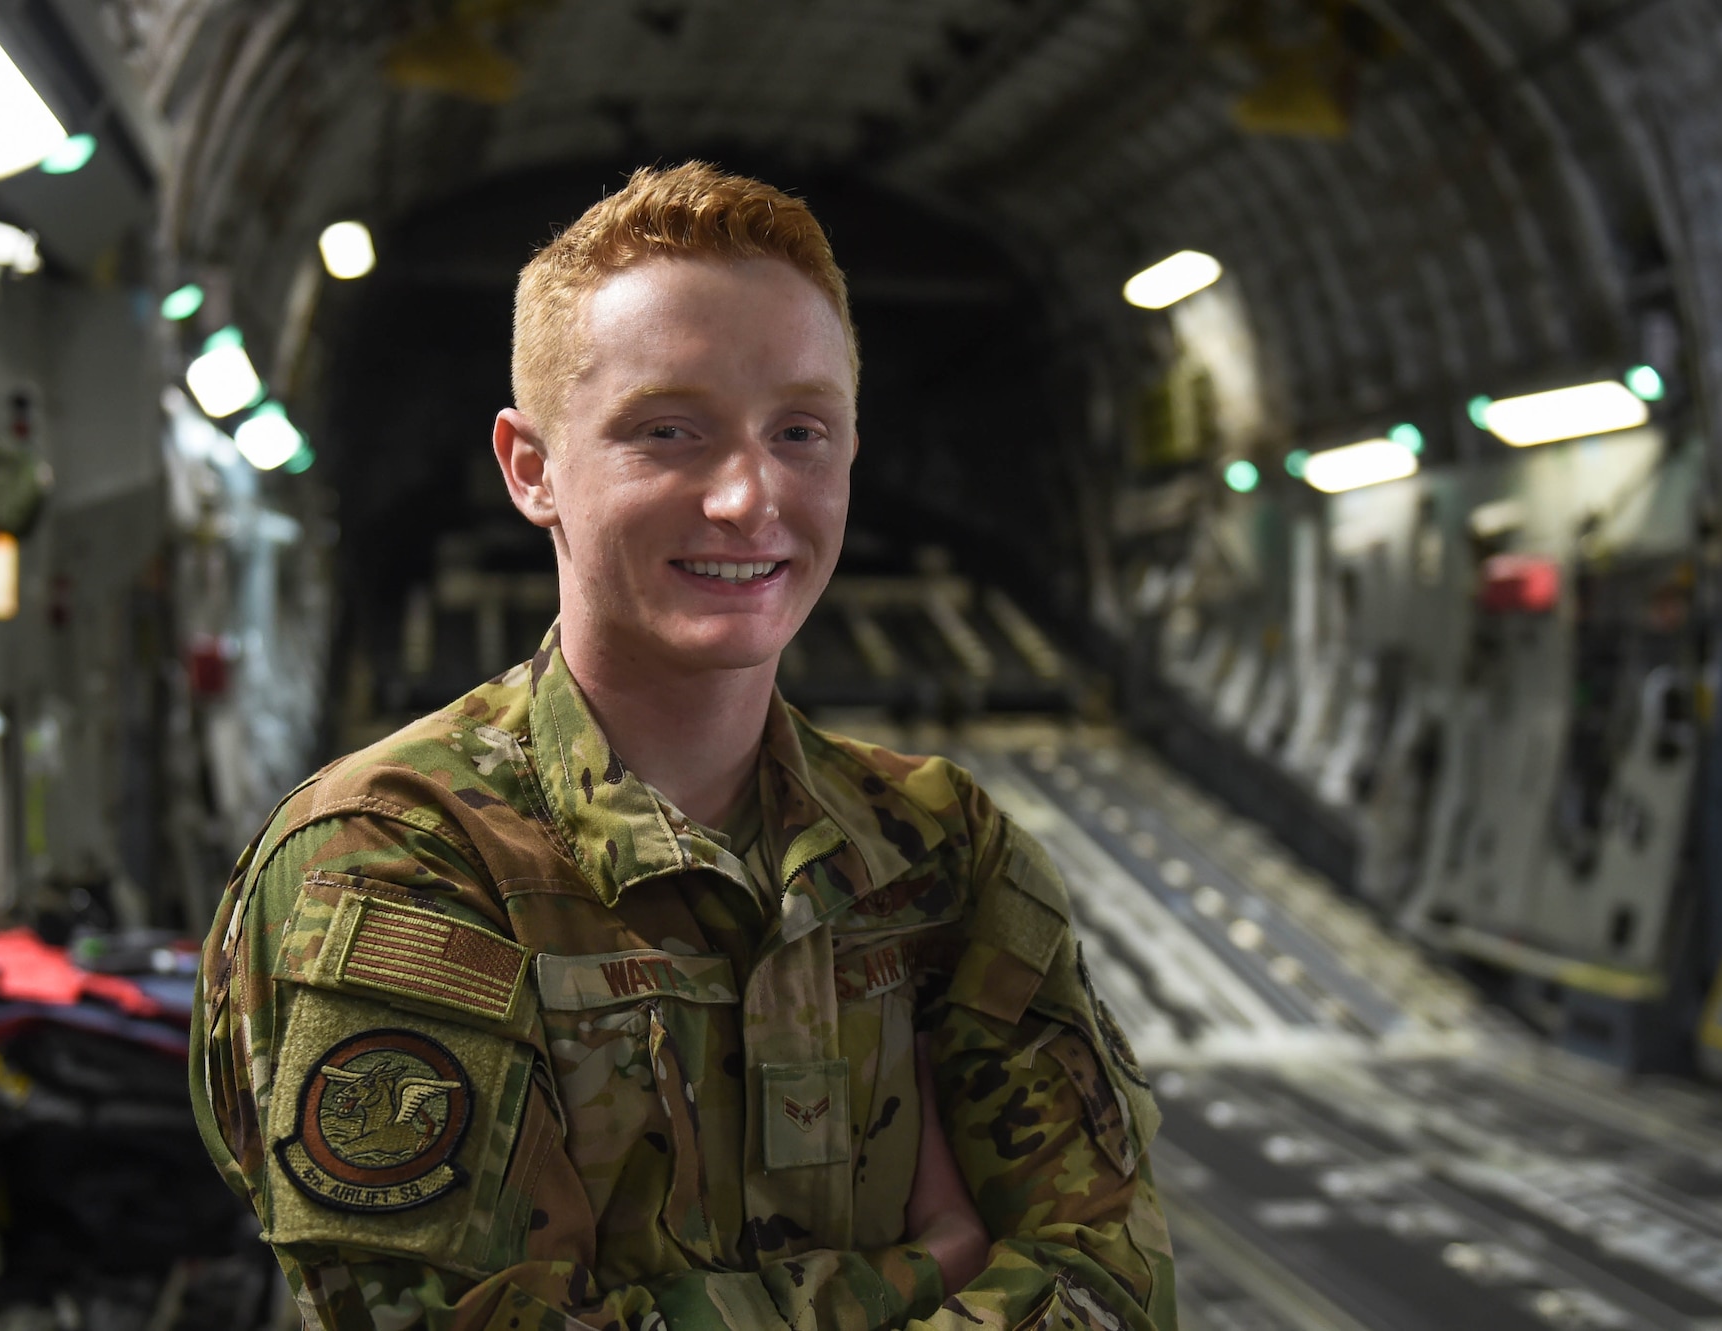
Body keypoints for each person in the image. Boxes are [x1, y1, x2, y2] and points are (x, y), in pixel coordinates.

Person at [190, 162, 1175, 1331]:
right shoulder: (394, 861)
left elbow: (1116, 1286)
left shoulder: (941, 852)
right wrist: (925, 1269)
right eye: (669, 431)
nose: (749, 496)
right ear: (531, 468)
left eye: (799, 430)